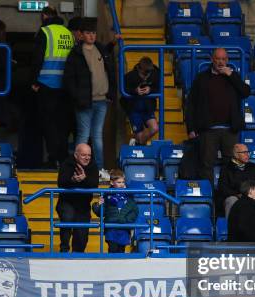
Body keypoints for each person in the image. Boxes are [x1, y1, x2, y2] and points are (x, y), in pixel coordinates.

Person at [185, 48, 251, 185]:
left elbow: (245, 92)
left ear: (227, 60)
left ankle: (226, 195)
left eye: (223, 59)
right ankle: (209, 198)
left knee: (231, 164)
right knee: (206, 164)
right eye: (218, 59)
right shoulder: (201, 78)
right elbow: (191, 104)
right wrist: (191, 128)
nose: (220, 62)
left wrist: (231, 75)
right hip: (208, 129)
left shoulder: (233, 76)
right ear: (212, 60)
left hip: (229, 129)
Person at [63, 18, 116, 181]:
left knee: (97, 136)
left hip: (101, 100)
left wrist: (110, 94)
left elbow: (109, 70)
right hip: (84, 102)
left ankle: (99, 170)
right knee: (83, 136)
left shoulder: (101, 49)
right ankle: (77, 169)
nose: (91, 36)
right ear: (81, 35)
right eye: (88, 33)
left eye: (93, 33)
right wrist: (77, 98)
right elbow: (69, 79)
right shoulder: (75, 53)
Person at [28, 6, 75, 167]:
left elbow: (37, 59)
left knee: (48, 123)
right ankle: (62, 157)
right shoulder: (68, 33)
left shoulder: (45, 32)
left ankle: (53, 157)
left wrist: (34, 81)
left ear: (44, 16)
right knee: (62, 123)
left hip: (47, 84)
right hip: (66, 86)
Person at [57, 143, 99, 253]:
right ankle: (64, 250)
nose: (87, 158)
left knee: (82, 235)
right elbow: (61, 182)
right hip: (66, 202)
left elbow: (95, 184)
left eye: (89, 155)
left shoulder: (93, 165)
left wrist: (84, 178)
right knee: (68, 217)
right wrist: (73, 180)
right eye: (83, 155)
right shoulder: (67, 164)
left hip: (83, 206)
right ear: (76, 155)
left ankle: (77, 256)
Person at [91, 169, 139, 253]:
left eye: (123, 182)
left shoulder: (129, 195)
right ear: (112, 183)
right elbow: (100, 213)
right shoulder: (106, 195)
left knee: (121, 251)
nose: (121, 185)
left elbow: (134, 211)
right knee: (112, 250)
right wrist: (98, 205)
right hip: (111, 228)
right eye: (119, 182)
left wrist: (127, 220)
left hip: (124, 228)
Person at [216, 143, 255, 219]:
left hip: (252, 195)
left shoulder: (254, 167)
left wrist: (253, 193)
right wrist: (237, 195)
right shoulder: (226, 168)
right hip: (235, 196)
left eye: (248, 152)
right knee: (231, 200)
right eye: (244, 152)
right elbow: (223, 188)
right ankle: (232, 229)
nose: (247, 155)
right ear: (236, 155)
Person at [121, 56, 160, 145]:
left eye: (148, 74)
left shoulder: (155, 74)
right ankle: (139, 146)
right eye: (144, 74)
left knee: (154, 128)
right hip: (134, 109)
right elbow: (123, 90)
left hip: (148, 108)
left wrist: (150, 90)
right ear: (139, 69)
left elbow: (159, 89)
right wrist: (135, 91)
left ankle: (136, 143)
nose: (146, 77)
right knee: (140, 137)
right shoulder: (130, 76)